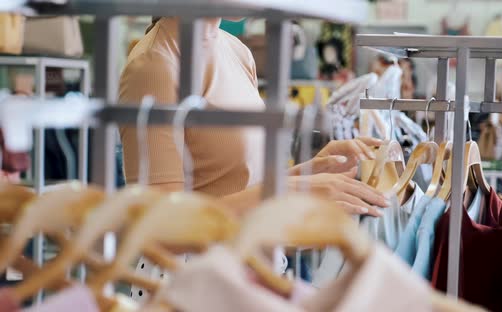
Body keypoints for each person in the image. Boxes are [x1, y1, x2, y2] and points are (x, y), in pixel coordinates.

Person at [119, 17, 388, 218]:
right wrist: (290, 191)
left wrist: (310, 173)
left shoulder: (238, 52)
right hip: (193, 283)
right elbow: (163, 225)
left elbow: (240, 188)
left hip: (250, 269)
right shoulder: (155, 65)